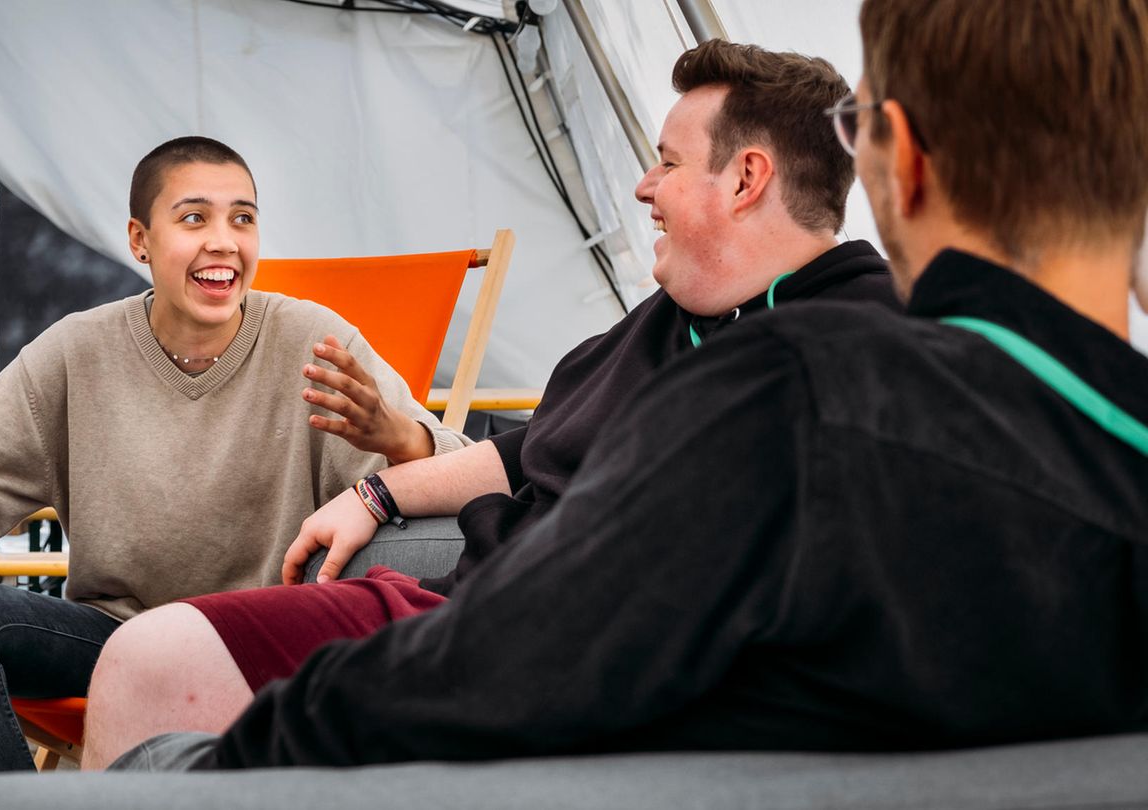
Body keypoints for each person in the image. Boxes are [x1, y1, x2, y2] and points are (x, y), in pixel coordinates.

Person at [103, 0, 1148, 771]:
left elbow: (502, 663)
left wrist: (229, 764)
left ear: (902, 163)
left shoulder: (800, 397)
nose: (646, 187)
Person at [0, 136, 469, 775]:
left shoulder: (315, 342)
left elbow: (462, 487)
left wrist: (399, 437)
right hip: (118, 641)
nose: (224, 241)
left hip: (266, 640)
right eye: (193, 217)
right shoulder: (75, 352)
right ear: (140, 240)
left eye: (243, 218)